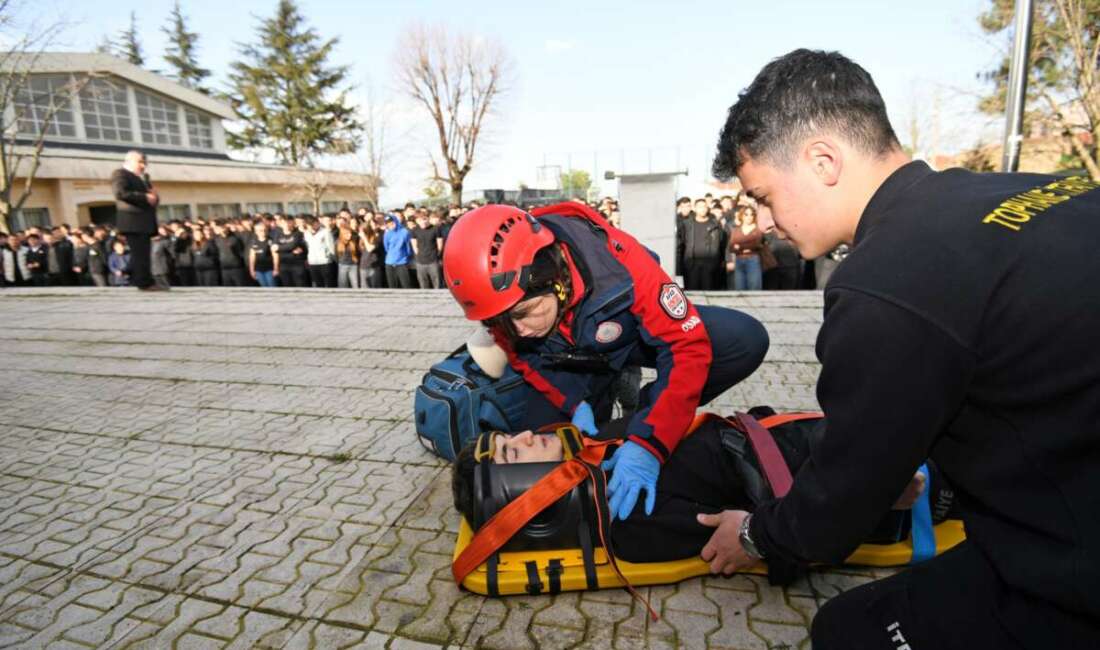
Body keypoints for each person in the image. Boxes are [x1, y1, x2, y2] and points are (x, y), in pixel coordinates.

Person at [708, 48, 1100, 650]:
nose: (762, 223)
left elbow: (832, 514)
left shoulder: (880, 285)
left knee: (846, 632)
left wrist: (758, 535)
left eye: (763, 196)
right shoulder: (1046, 192)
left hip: (1067, 568)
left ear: (822, 161)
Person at [442, 203, 769, 522]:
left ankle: (646, 405)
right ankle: (606, 397)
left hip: (632, 340)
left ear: (553, 277)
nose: (519, 331)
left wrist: (651, 442)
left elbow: (686, 346)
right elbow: (525, 360)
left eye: (522, 314)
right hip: (568, 364)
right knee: (540, 466)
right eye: (500, 322)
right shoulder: (505, 307)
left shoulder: (618, 259)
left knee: (743, 339)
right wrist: (572, 403)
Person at [452, 418, 951, 568]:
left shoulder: (596, 456)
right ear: (522, 495)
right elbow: (732, 529)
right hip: (827, 477)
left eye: (507, 437)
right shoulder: (624, 522)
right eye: (513, 454)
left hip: (789, 441)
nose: (522, 436)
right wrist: (863, 493)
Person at [111, 150, 162, 291]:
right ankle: (144, 283)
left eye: (144, 162)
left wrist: (154, 197)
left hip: (144, 222)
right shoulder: (120, 174)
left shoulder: (142, 179)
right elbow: (120, 193)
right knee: (140, 254)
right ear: (128, 161)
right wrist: (144, 197)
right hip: (133, 222)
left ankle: (144, 279)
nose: (143, 165)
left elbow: (152, 200)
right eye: (139, 162)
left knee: (144, 254)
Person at [676, 198, 727, 290]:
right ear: (695, 209)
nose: (702, 209)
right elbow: (681, 245)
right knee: (692, 294)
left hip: (710, 265)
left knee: (709, 293)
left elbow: (722, 244)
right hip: (692, 265)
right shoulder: (687, 225)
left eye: (704, 206)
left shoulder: (715, 225)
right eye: (700, 207)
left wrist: (720, 262)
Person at [728, 206, 765, 290]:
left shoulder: (757, 230)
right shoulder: (736, 230)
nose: (749, 217)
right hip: (739, 260)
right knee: (739, 288)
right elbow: (731, 247)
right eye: (746, 214)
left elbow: (756, 245)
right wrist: (746, 247)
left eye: (751, 214)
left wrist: (739, 246)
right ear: (742, 216)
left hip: (753, 260)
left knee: (754, 287)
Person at [273, 214, 309, 288]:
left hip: (297, 265)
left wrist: (279, 248)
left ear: (293, 223)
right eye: (284, 222)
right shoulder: (277, 235)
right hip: (283, 265)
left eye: (289, 222)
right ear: (280, 223)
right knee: (287, 287)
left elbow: (292, 246)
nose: (286, 224)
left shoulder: (298, 234)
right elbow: (273, 249)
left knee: (301, 287)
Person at [411, 210, 444, 288]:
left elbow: (440, 244)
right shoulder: (414, 230)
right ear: (416, 221)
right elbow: (414, 245)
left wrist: (436, 255)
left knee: (437, 283)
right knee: (423, 284)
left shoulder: (436, 229)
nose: (422, 222)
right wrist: (419, 255)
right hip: (420, 262)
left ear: (428, 218)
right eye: (419, 220)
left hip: (433, 261)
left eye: (424, 219)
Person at [382, 214, 413, 288]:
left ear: (396, 221)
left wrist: (406, 257)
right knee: (392, 286)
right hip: (389, 263)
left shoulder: (404, 232)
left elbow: (408, 247)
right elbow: (386, 248)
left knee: (406, 285)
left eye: (392, 223)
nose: (390, 225)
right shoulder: (387, 234)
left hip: (402, 262)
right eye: (388, 224)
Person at [213, 222, 247, 287]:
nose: (223, 230)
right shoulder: (216, 240)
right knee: (228, 288)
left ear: (227, 229)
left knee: (241, 287)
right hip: (224, 268)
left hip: (236, 268)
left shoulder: (235, 239)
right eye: (221, 229)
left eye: (224, 228)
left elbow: (241, 252)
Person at [305, 216, 336, 288]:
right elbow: (308, 247)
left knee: (329, 283)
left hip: (325, 262)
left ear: (318, 223)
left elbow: (331, 247)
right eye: (310, 225)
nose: (313, 226)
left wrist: (330, 258)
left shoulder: (325, 232)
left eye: (315, 224)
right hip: (313, 262)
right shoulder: (306, 234)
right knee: (318, 283)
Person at [249, 221, 278, 288]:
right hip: (258, 270)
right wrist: (252, 270)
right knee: (264, 287)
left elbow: (275, 256)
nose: (263, 232)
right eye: (260, 230)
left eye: (265, 230)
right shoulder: (253, 242)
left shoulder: (271, 241)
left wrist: (276, 269)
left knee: (272, 287)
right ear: (256, 232)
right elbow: (252, 257)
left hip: (270, 269)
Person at [358, 220, 385, 288]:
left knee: (375, 288)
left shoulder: (377, 238)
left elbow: (370, 249)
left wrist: (364, 238)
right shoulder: (361, 239)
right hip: (363, 266)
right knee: (364, 288)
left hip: (374, 266)